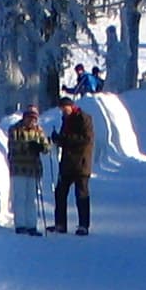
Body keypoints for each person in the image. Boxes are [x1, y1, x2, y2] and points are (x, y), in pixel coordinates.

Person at [52, 98, 96, 236]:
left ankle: (83, 225)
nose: (63, 112)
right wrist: (57, 139)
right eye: (62, 109)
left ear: (71, 106)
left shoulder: (84, 118)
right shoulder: (66, 120)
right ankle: (60, 224)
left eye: (65, 109)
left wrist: (65, 139)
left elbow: (86, 139)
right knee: (60, 193)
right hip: (67, 163)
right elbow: (65, 139)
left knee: (81, 195)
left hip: (81, 163)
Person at [6, 105, 49, 235]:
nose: (31, 121)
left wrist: (42, 147)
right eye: (29, 118)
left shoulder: (38, 130)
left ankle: (31, 225)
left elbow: (46, 146)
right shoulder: (15, 129)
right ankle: (20, 225)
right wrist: (29, 146)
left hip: (33, 169)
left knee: (32, 198)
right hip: (19, 169)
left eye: (34, 118)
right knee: (20, 197)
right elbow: (14, 146)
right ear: (24, 117)